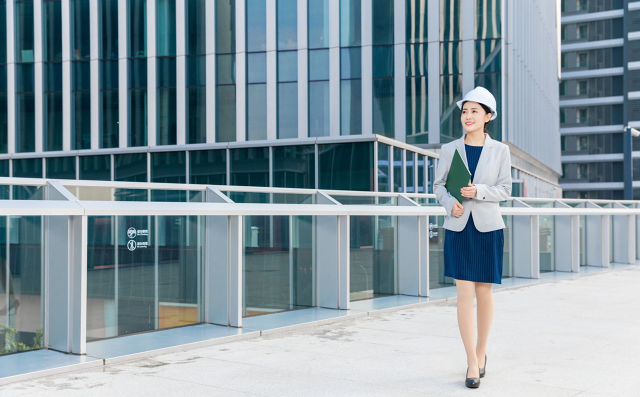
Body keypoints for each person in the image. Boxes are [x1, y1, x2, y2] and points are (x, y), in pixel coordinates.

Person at [433, 86, 512, 389]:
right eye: (465, 111)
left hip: (488, 228)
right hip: (458, 226)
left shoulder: (501, 151)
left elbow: (505, 190)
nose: (467, 116)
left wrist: (478, 190)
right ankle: (470, 362)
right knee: (464, 294)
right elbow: (439, 185)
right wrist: (448, 202)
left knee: (484, 293)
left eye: (474, 111)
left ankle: (481, 354)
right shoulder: (449, 149)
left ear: (488, 116)